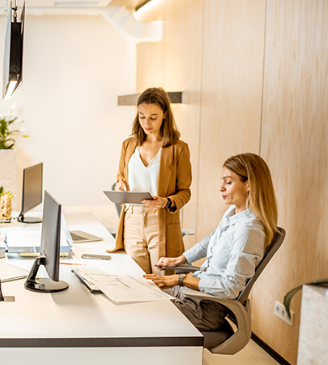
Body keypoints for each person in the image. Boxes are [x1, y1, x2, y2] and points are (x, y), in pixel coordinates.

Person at [144, 153, 279, 331]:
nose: (221, 188)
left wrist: (180, 279)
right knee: (141, 292)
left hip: (205, 308)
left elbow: (230, 288)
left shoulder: (249, 231)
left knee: (142, 311)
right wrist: (181, 259)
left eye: (228, 182)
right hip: (194, 294)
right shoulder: (233, 213)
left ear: (249, 185)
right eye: (222, 181)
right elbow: (211, 240)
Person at [108, 87, 192, 275]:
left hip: (160, 220)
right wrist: (121, 186)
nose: (147, 122)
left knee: (162, 281)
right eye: (142, 116)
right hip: (132, 220)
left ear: (165, 114)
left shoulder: (178, 148)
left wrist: (166, 201)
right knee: (135, 279)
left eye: (153, 117)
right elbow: (120, 178)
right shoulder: (128, 145)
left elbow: (185, 192)